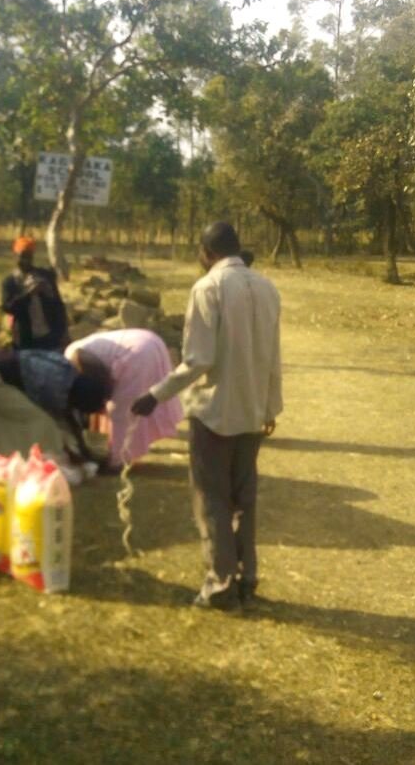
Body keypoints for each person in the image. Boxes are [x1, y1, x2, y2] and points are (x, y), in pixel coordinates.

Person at [132, 222, 282, 611]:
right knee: (243, 499)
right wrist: (270, 407)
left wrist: (155, 395)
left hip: (214, 413)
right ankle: (246, 577)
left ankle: (219, 586)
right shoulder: (267, 288)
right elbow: (273, 358)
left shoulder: (207, 288)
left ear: (206, 252)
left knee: (212, 498)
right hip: (251, 412)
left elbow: (199, 360)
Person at [0, 348, 109, 472]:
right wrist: (79, 454)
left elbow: (70, 418)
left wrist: (84, 451)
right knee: (39, 421)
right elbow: (62, 421)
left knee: (25, 418)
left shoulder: (68, 373)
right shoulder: (55, 389)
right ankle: (49, 464)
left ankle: (6, 463)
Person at [65, 329, 183, 472]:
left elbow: (100, 379)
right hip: (150, 341)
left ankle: (117, 461)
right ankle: (121, 454)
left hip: (137, 352)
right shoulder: (75, 352)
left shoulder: (73, 357)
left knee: (121, 411)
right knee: (136, 403)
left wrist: (106, 399)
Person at [1, 236, 69, 351]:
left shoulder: (45, 276)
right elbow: (8, 307)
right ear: (15, 256)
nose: (25, 261)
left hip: (49, 336)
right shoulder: (10, 282)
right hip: (25, 339)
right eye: (22, 257)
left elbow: (58, 305)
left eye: (28, 257)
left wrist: (63, 332)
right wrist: (29, 294)